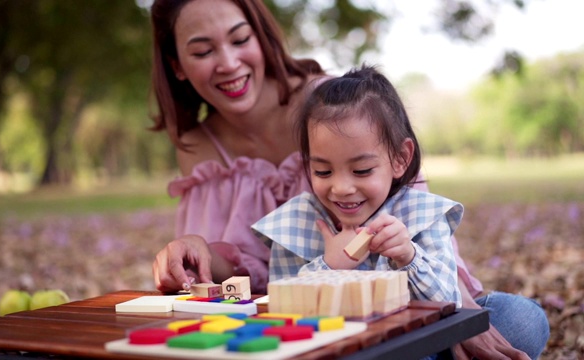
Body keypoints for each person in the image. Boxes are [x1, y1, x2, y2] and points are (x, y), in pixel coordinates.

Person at [148, 0, 549, 359]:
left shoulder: (332, 107)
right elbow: (257, 278)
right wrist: (195, 247)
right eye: (202, 51)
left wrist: (460, 317)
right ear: (177, 65)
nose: (229, 62)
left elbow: (410, 210)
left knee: (518, 321)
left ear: (262, 36)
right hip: (321, 322)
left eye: (240, 39)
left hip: (418, 296)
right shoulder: (195, 145)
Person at [252, 64, 462, 306]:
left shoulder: (422, 214)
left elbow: (451, 307)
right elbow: (283, 309)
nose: (341, 188)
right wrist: (328, 267)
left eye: (361, 170)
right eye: (323, 171)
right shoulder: (294, 224)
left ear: (400, 158)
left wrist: (408, 256)